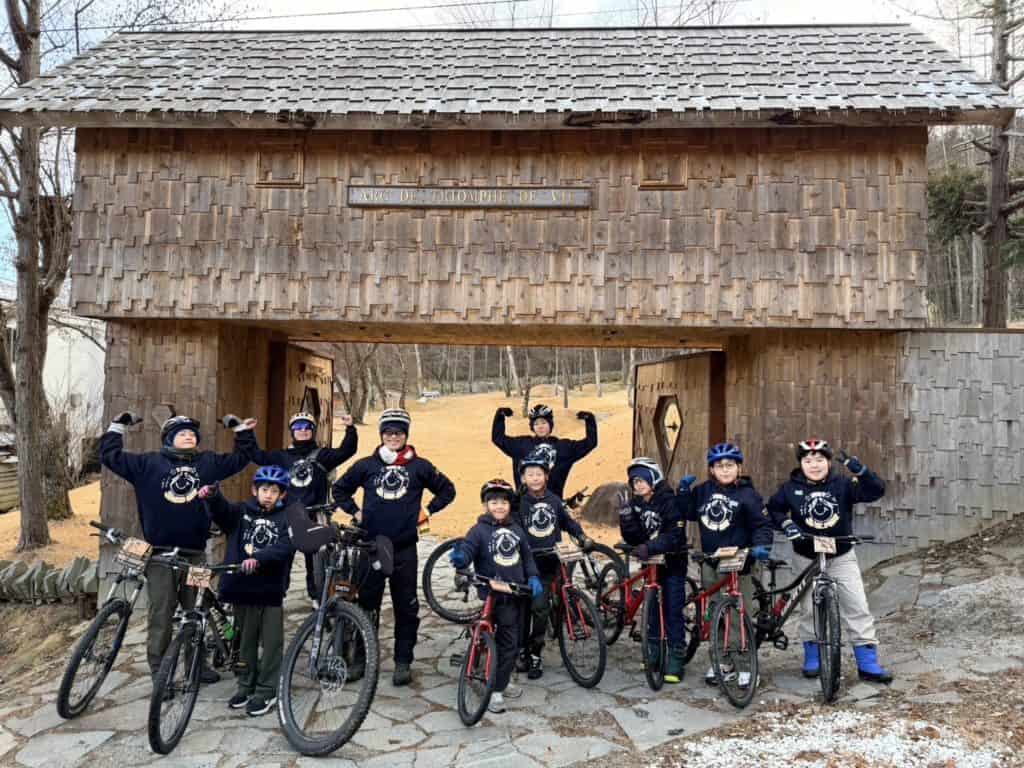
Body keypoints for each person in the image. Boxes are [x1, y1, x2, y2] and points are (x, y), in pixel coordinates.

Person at [100, 410, 255, 684]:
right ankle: (160, 673)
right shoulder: (148, 463)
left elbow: (242, 458)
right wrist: (117, 426)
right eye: (181, 433)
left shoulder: (208, 463)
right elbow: (111, 457)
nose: (188, 436)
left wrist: (240, 429)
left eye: (192, 434)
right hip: (160, 556)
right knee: (161, 614)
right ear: (169, 438)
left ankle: (197, 665)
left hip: (196, 553)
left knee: (197, 610)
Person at [331, 408, 456, 686]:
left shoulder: (420, 466)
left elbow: (448, 490)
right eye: (388, 432)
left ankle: (402, 662)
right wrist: (355, 511)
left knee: (406, 607)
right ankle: (362, 659)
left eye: (399, 432)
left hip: (403, 548)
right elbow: (339, 489)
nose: (393, 437)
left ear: (406, 435)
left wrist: (427, 511)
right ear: (381, 435)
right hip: (370, 546)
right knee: (366, 605)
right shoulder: (366, 465)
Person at [766, 438, 893, 684]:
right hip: (805, 556)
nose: (814, 465)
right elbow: (773, 509)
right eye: (808, 461)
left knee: (856, 605)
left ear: (828, 462)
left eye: (819, 460)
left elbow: (875, 491)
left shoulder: (843, 484)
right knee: (808, 608)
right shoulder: (790, 489)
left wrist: (861, 471)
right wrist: (787, 524)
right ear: (801, 464)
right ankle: (813, 656)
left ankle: (868, 663)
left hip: (841, 555)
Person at [198, 467, 296, 716]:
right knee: (245, 642)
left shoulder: (287, 518)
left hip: (270, 590)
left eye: (274, 491)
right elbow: (222, 512)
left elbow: (286, 546)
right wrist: (213, 496)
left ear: (282, 495)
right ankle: (245, 684)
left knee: (272, 643)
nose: (268, 495)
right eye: (264, 489)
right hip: (242, 588)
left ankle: (267, 690)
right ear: (255, 490)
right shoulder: (240, 513)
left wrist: (259, 558)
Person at [236, 410, 358, 604]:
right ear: (292, 431)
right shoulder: (282, 456)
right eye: (298, 427)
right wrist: (246, 432)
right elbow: (257, 456)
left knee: (316, 563)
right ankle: (276, 595)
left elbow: (347, 451)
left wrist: (350, 428)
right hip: (287, 516)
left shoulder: (323, 455)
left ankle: (317, 598)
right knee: (281, 558)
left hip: (314, 515)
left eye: (307, 427)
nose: (303, 430)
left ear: (313, 430)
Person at [677, 442, 773, 686]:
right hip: (712, 562)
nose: (725, 470)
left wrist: (761, 546)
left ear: (739, 467)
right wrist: (683, 491)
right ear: (711, 470)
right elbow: (687, 512)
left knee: (739, 614)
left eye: (730, 465)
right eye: (719, 466)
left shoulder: (748, 495)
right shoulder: (702, 491)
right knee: (716, 614)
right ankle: (723, 661)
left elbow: (761, 524)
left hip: (740, 563)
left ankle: (746, 665)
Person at [449, 479, 542, 714]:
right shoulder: (478, 530)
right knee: (497, 640)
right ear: (485, 505)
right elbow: (468, 549)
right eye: (493, 502)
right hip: (491, 594)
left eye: (503, 502)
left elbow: (527, 557)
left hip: (515, 594)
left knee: (510, 643)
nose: (499, 506)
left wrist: (533, 576)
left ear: (510, 505)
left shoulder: (517, 530)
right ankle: (495, 690)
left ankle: (501, 681)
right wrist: (461, 558)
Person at [515, 449, 595, 680]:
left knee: (540, 609)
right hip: (524, 566)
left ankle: (535, 652)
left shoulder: (554, 501)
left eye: (539, 474)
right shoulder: (518, 502)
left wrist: (581, 536)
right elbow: (514, 529)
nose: (535, 478)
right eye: (530, 474)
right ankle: (521, 649)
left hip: (548, 565)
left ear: (546, 476)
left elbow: (568, 522)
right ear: (523, 478)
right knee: (522, 610)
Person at [618, 457, 687, 683]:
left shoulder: (669, 501)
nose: (638, 485)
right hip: (651, 564)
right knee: (652, 611)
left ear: (653, 479)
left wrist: (650, 547)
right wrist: (626, 518)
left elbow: (674, 535)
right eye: (634, 481)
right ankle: (654, 652)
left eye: (642, 480)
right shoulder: (637, 503)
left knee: (673, 609)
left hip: (673, 563)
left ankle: (676, 657)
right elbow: (635, 537)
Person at [491, 404, 597, 498]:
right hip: (523, 505)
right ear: (532, 427)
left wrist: (590, 420)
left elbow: (590, 443)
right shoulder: (521, 445)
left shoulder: (563, 447)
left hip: (554, 505)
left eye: (544, 422)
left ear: (550, 424)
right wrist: (500, 416)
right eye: (536, 424)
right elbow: (498, 438)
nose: (540, 426)